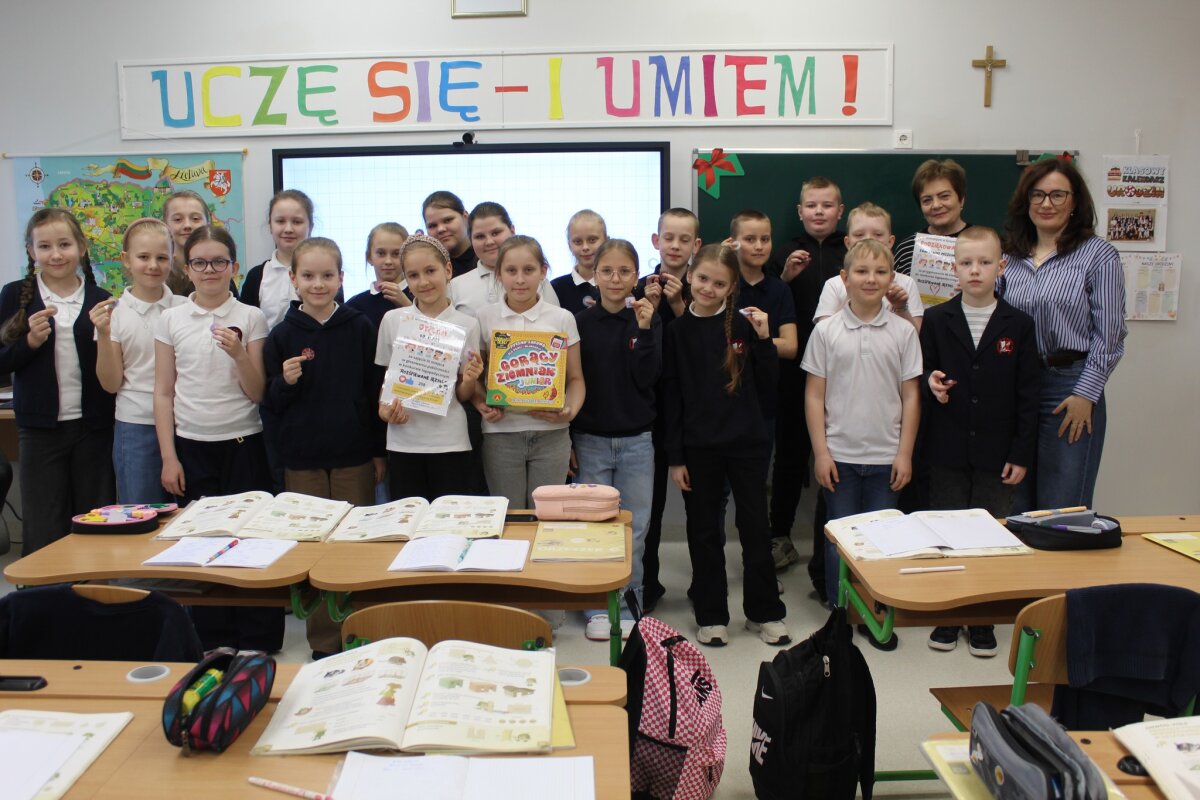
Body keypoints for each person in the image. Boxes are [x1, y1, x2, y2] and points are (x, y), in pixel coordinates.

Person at [153, 225, 282, 651]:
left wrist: (239, 353)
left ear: (234, 266)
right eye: (200, 262)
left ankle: (258, 637)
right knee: (201, 544)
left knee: (251, 540)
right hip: (192, 446)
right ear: (187, 268)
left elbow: (257, 391)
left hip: (244, 443)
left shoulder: (250, 316)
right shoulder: (171, 319)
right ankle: (213, 637)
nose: (210, 270)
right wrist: (169, 457)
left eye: (219, 262)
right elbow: (163, 392)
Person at [920, 226, 1039, 657]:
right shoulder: (937, 320)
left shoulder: (1019, 324)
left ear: (1000, 267)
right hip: (947, 449)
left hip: (997, 452)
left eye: (985, 262)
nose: (975, 270)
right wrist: (931, 383)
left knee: (989, 536)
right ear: (954, 268)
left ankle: (982, 619)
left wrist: (1021, 454)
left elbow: (1029, 395)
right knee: (948, 532)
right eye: (967, 263)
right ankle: (951, 615)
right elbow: (922, 373)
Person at [262, 237, 381, 658]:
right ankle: (324, 642)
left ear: (341, 278)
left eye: (327, 275)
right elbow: (270, 402)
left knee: (355, 547)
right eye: (309, 276)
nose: (318, 284)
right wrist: (285, 382)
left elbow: (373, 392)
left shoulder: (359, 326)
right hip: (303, 460)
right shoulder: (282, 335)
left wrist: (378, 453)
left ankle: (359, 633)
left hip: (353, 456)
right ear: (293, 279)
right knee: (312, 548)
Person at [664, 244, 788, 647]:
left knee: (755, 529)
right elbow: (672, 398)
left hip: (748, 445)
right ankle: (712, 615)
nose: (708, 288)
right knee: (704, 532)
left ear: (732, 287)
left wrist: (765, 340)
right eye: (702, 279)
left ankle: (764, 612)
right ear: (689, 277)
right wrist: (676, 458)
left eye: (719, 283)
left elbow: (769, 387)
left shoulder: (745, 327)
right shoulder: (677, 332)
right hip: (699, 449)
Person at [802, 239, 921, 649]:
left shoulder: (904, 332)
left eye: (880, 272)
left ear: (892, 279)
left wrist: (904, 453)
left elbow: (911, 396)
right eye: (862, 271)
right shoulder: (826, 331)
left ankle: (874, 611)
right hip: (840, 456)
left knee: (881, 541)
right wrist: (821, 453)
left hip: (887, 457)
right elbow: (814, 395)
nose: (871, 279)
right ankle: (841, 613)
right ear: (844, 278)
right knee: (840, 540)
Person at [1000, 158, 1126, 511]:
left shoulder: (1098, 255)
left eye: (1058, 195)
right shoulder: (1007, 257)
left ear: (1075, 202)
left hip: (1070, 386)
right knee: (1014, 504)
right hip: (1016, 386)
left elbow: (1111, 334)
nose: (1046, 203)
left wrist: (1086, 393)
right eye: (1037, 194)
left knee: (1062, 506)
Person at [0, 208, 115, 555]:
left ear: (81, 246)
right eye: (45, 246)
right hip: (39, 430)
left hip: (94, 427)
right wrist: (30, 342)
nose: (56, 254)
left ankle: (92, 586)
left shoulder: (100, 299)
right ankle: (45, 589)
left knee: (94, 519)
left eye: (64, 244)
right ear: (31, 251)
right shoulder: (14, 295)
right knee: (43, 523)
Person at [572, 239, 662, 640]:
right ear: (594, 275)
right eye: (607, 271)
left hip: (637, 441)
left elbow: (648, 378)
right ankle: (596, 607)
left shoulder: (647, 319)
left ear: (636, 276)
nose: (615, 279)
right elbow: (572, 381)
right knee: (595, 529)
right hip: (590, 439)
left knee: (634, 529)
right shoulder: (579, 323)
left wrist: (643, 330)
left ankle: (629, 605)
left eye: (625, 271)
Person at [772, 177, 847, 587]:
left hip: (847, 374)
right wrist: (784, 275)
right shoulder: (781, 252)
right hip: (792, 371)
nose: (819, 211)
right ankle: (779, 536)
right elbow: (762, 301)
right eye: (812, 205)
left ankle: (837, 541)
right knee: (789, 456)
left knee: (839, 456)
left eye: (827, 205)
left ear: (840, 211)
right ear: (800, 212)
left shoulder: (852, 252)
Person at [473, 235, 584, 509]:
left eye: (529, 270)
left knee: (546, 515)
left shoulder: (562, 318)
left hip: (552, 433)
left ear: (543, 271)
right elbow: (475, 377)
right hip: (501, 434)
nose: (520, 279)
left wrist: (570, 411)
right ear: (498, 274)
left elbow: (575, 378)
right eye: (511, 271)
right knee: (508, 515)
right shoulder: (485, 317)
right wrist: (482, 404)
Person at [376, 233, 483, 501]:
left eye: (430, 271)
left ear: (448, 270)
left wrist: (470, 380)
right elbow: (386, 379)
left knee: (448, 518)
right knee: (407, 517)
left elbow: (462, 395)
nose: (423, 282)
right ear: (405, 279)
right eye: (413, 275)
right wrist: (384, 409)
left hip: (450, 441)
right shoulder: (392, 320)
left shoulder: (467, 324)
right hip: (403, 440)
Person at [92, 218, 187, 504]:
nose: (153, 266)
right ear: (126, 260)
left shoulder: (185, 308)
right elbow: (110, 384)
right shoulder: (114, 313)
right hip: (136, 427)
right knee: (139, 511)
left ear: (172, 259)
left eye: (162, 258)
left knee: (186, 513)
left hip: (184, 422)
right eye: (143, 257)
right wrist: (103, 333)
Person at [641, 208, 701, 611]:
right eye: (668, 238)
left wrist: (680, 304)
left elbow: (702, 349)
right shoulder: (639, 286)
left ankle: (704, 587)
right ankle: (647, 585)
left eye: (684, 239)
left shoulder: (706, 287)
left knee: (700, 508)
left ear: (696, 245)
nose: (675, 246)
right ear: (656, 241)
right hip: (648, 413)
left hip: (692, 413)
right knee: (650, 508)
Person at [814, 202, 923, 332]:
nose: (868, 240)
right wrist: (851, 297)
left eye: (878, 234)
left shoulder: (906, 284)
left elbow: (915, 336)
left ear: (890, 242)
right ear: (847, 243)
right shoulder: (834, 285)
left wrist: (901, 307)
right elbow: (824, 333)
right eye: (859, 235)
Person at [451, 202, 559, 317]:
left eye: (495, 233)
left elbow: (555, 321)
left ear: (512, 230)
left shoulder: (537, 281)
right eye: (480, 236)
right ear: (470, 239)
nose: (489, 242)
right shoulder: (456, 286)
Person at [893, 159, 973, 275]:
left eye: (944, 196)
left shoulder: (986, 244)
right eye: (927, 200)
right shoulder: (907, 249)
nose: (936, 205)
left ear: (961, 199)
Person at [345, 222, 411, 330]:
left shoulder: (421, 296)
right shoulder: (355, 305)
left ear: (406, 257)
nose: (388, 261)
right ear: (369, 257)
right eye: (381, 253)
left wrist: (408, 307)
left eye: (396, 254)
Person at [551, 209, 605, 312]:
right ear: (569, 246)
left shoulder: (617, 285)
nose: (585, 247)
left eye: (592, 240)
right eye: (578, 242)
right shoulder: (556, 288)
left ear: (606, 241)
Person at [161, 190, 210, 297]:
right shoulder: (158, 274)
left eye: (195, 219)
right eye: (178, 219)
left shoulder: (218, 271)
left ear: (208, 224)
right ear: (165, 225)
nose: (187, 225)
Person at [422, 191, 477, 278]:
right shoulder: (427, 269)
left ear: (465, 217)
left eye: (447, 220)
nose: (440, 229)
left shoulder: (489, 259)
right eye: (432, 225)